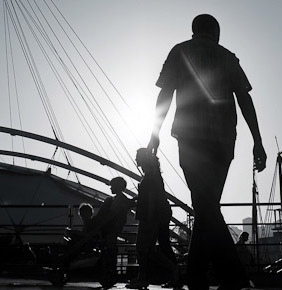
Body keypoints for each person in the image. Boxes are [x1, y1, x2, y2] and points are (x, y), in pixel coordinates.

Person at [148, 14, 267, 290]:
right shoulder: (228, 57)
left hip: (190, 138)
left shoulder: (179, 52)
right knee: (207, 205)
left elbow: (165, 94)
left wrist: (154, 132)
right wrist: (257, 141)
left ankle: (225, 276)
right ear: (215, 31)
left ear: (194, 30)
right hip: (223, 141)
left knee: (205, 205)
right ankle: (201, 275)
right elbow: (245, 98)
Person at [64, 177, 132, 288]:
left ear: (118, 186)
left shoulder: (115, 200)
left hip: (107, 229)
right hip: (108, 229)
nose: (110, 188)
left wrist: (98, 225)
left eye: (112, 186)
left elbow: (110, 216)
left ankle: (66, 263)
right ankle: (109, 273)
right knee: (109, 252)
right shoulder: (119, 199)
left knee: (107, 251)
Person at [131, 148, 178, 289]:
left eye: (138, 156)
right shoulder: (153, 175)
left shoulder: (150, 177)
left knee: (144, 248)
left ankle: (146, 277)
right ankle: (174, 275)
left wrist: (149, 218)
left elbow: (151, 198)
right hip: (158, 214)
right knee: (159, 246)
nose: (136, 159)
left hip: (151, 216)